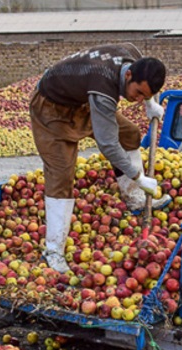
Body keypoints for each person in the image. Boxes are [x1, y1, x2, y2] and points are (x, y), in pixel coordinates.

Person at [30, 43, 171, 273]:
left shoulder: (132, 55)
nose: (137, 99)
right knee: (62, 174)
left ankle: (133, 197)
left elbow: (144, 84)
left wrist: (150, 103)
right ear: (128, 75)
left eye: (144, 95)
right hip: (52, 107)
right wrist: (138, 176)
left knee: (131, 134)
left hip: (81, 100)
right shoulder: (103, 88)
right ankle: (53, 250)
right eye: (138, 93)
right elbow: (108, 144)